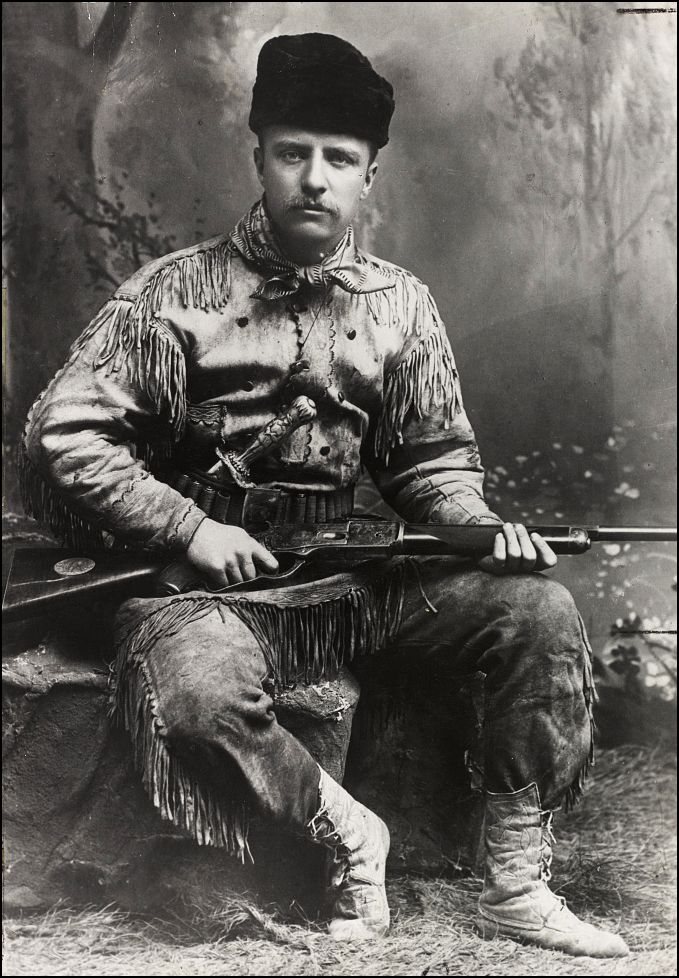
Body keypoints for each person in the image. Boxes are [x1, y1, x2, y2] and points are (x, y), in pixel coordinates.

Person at [20, 33, 628, 957]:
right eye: (292, 153)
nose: (313, 178)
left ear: (368, 175)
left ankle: (514, 881)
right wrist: (187, 526)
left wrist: (472, 527)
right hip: (207, 589)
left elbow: (431, 461)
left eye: (338, 160)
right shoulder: (170, 295)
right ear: (258, 156)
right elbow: (66, 433)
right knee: (194, 692)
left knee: (537, 611)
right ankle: (348, 834)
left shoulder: (399, 305)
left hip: (350, 581)